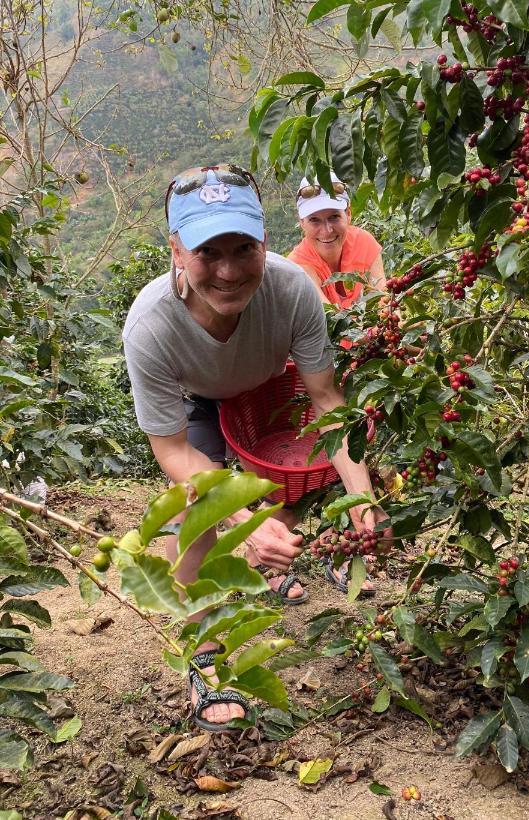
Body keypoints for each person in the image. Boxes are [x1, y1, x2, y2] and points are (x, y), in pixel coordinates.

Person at [122, 164, 388, 732]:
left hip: (272, 389)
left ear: (265, 242)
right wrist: (241, 515)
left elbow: (325, 400)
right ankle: (205, 651)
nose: (227, 270)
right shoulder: (152, 326)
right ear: (175, 249)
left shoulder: (293, 289)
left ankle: (290, 556)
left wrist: (362, 496)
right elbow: (172, 452)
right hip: (199, 403)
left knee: (309, 469)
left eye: (243, 248)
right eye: (206, 252)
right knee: (198, 516)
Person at [287, 174, 386, 308]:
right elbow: (331, 322)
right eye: (314, 220)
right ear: (302, 223)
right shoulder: (297, 268)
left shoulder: (364, 243)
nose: (327, 230)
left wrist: (396, 323)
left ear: (348, 214)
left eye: (334, 217)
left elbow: (383, 302)